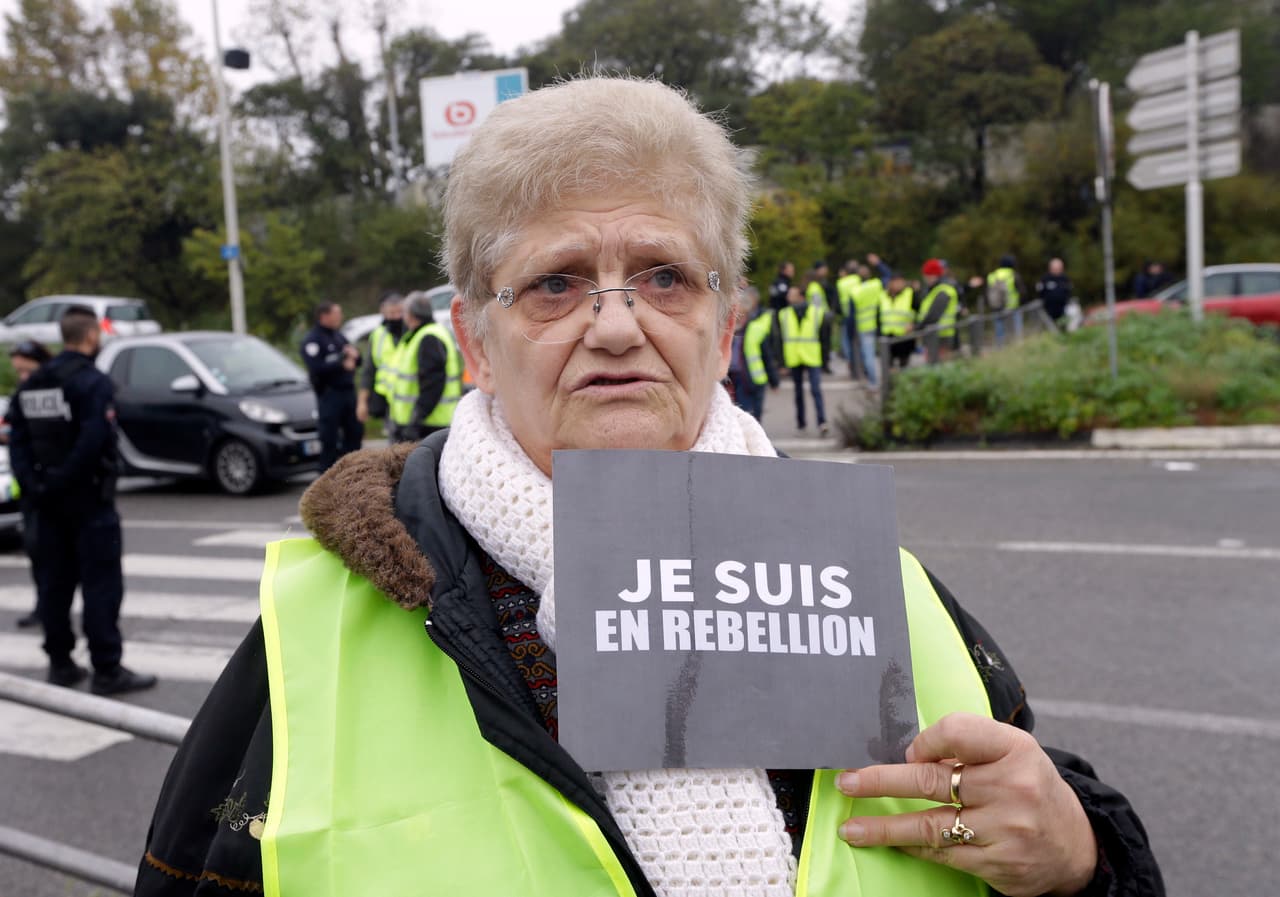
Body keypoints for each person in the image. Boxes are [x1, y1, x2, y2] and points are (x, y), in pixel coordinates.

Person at [137, 78, 1162, 897]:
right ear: (474, 343)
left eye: (664, 276)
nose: (617, 325)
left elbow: (1037, 817)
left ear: (723, 330)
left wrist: (1082, 861)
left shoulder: (877, 583)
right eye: (556, 282)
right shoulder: (320, 633)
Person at [8, 307, 156, 695]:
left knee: (53, 586)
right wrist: (62, 481)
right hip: (88, 503)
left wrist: (37, 484)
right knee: (101, 586)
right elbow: (93, 441)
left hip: (44, 505)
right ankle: (106, 669)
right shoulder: (92, 384)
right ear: (90, 335)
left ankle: (60, 664)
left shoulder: (34, 384)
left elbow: (17, 440)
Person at [4, 340, 52, 628]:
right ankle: (43, 607)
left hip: (57, 489)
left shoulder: (56, 391)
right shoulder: (23, 394)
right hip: (31, 489)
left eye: (27, 370)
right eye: (18, 372)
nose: (23, 377)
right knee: (37, 551)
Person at [385, 290, 462, 443]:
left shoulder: (428, 337)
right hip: (426, 422)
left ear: (410, 315)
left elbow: (433, 384)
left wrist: (416, 419)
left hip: (428, 425)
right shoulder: (428, 333)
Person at [301, 301, 362, 470]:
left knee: (354, 434)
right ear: (324, 316)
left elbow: (357, 359)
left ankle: (351, 474)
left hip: (348, 394)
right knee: (329, 440)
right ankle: (326, 478)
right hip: (330, 395)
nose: (340, 317)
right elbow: (316, 367)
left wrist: (355, 357)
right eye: (337, 314)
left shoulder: (338, 336)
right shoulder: (313, 340)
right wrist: (341, 364)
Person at [779, 284, 831, 437]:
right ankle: (801, 422)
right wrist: (782, 362)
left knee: (815, 390)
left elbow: (824, 338)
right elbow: (779, 340)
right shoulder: (784, 314)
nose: (789, 296)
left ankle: (822, 422)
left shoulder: (817, 312)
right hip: (794, 357)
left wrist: (825, 359)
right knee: (798, 392)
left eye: (792, 293)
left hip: (811, 355)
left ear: (801, 297)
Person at [356, 292, 406, 426]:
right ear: (383, 312)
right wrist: (362, 403)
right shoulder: (378, 335)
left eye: (400, 312)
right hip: (388, 403)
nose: (396, 317)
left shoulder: (415, 332)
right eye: (392, 313)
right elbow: (368, 371)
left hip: (412, 401)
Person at [729, 285, 777, 420]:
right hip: (736, 380)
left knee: (754, 419)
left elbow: (767, 356)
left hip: (754, 380)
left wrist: (774, 381)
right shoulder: (728, 329)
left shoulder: (756, 329)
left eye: (739, 310)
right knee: (740, 418)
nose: (736, 313)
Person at [917, 259, 960, 363]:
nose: (925, 278)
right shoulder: (931, 289)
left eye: (927, 275)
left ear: (934, 275)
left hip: (942, 336)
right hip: (933, 335)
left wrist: (917, 328)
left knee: (940, 366)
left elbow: (934, 315)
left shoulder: (944, 290)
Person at [851, 265, 883, 386]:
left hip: (864, 326)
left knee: (868, 356)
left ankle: (873, 381)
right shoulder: (876, 284)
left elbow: (852, 313)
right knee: (883, 354)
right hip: (879, 324)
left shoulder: (856, 291)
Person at [881, 273, 917, 369]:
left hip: (905, 335)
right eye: (896, 282)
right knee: (888, 365)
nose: (898, 285)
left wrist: (914, 324)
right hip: (888, 334)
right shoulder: (883, 295)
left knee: (904, 365)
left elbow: (919, 311)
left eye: (901, 282)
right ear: (890, 283)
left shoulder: (910, 294)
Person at [987, 255, 1024, 346]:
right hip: (1012, 308)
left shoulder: (992, 275)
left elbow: (988, 292)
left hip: (997, 308)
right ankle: (1017, 346)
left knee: (999, 331)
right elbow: (1022, 291)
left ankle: (1000, 348)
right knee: (1016, 331)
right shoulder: (1013, 274)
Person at [834, 261, 862, 377]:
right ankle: (860, 367)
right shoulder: (860, 281)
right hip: (861, 317)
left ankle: (852, 364)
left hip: (846, 317)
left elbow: (836, 303)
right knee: (860, 343)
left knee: (847, 343)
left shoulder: (841, 283)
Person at [1036, 258, 1074, 326]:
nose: (1056, 269)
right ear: (1050, 268)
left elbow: (1069, 290)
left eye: (1058, 268)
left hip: (1063, 307)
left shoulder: (1065, 278)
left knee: (1064, 324)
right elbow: (1040, 291)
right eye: (1054, 268)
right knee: (1051, 325)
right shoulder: (1045, 279)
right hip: (1049, 308)